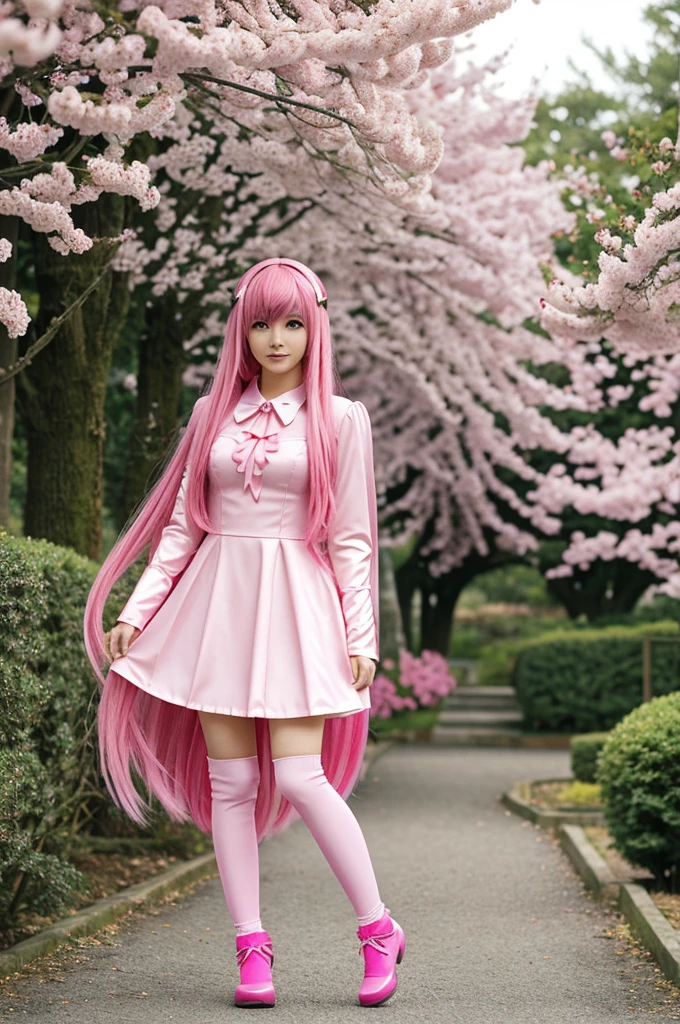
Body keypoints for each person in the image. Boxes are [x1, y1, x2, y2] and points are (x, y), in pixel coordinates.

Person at [83, 257, 405, 1009]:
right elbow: (181, 527)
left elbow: (353, 539)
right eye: (261, 323)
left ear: (315, 325)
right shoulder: (209, 416)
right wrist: (138, 610)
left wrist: (364, 638)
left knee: (299, 776)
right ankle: (251, 948)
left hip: (297, 608)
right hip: (216, 606)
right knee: (232, 785)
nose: (276, 338)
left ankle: (377, 928)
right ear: (242, 329)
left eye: (292, 322)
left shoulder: (341, 419)